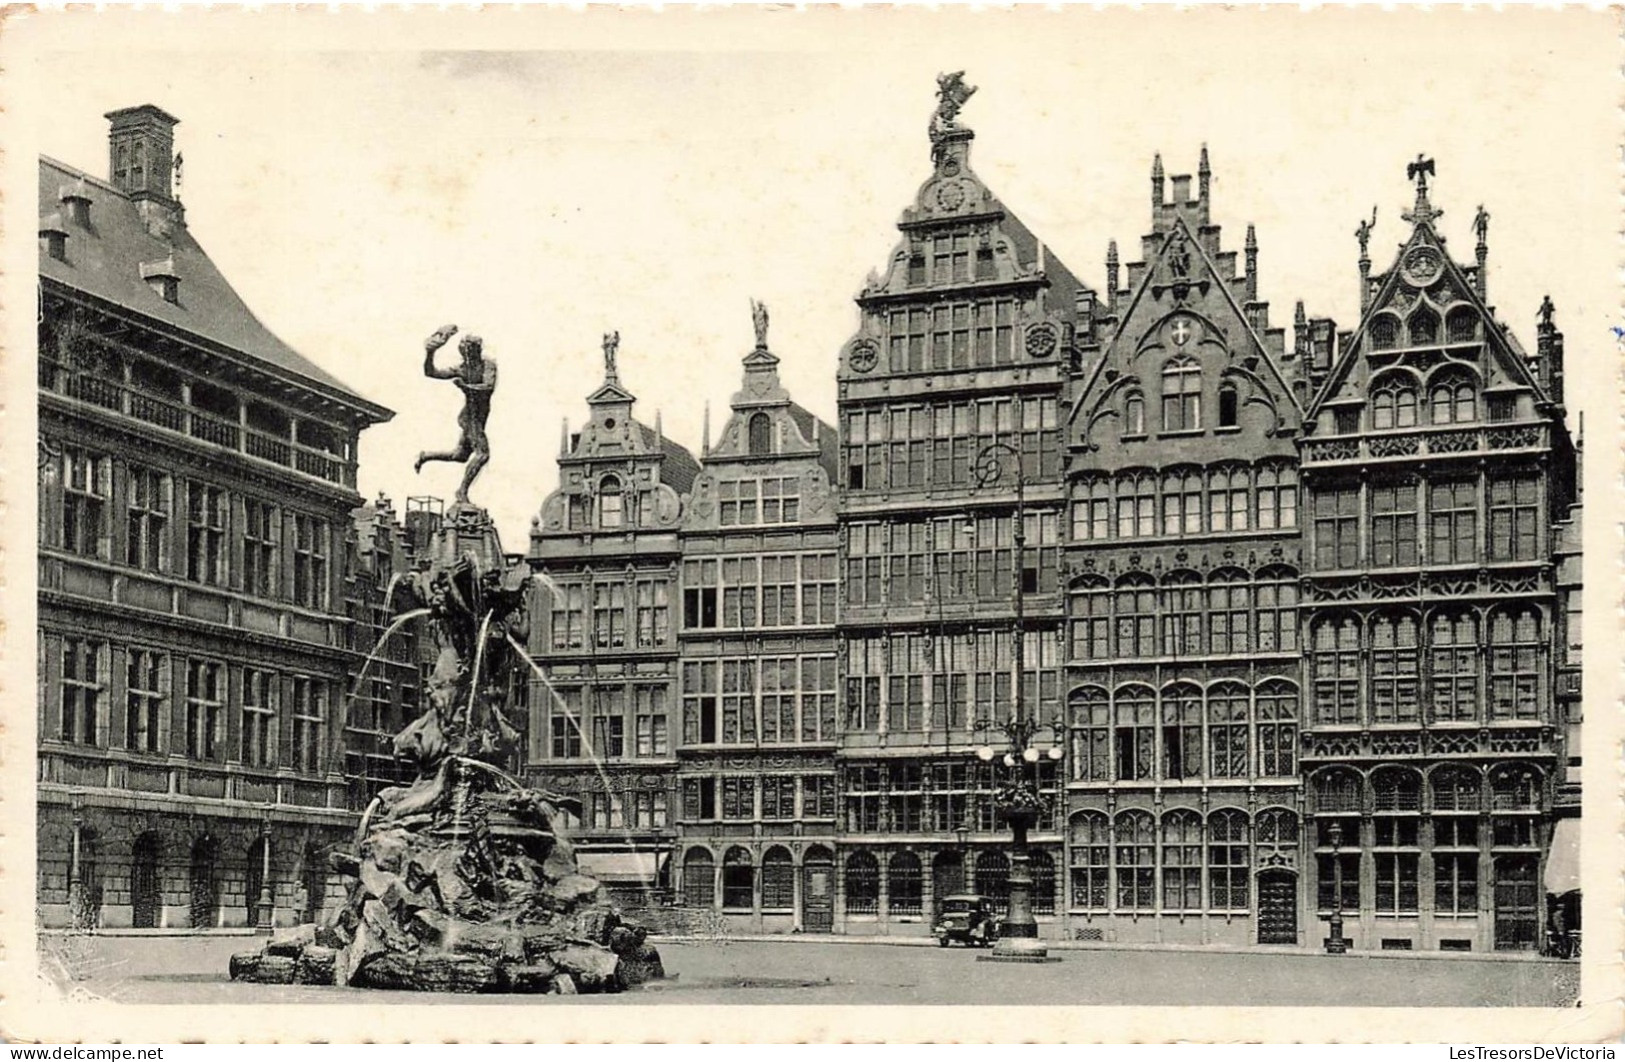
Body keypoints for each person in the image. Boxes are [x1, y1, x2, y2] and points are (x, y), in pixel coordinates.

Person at [414, 324, 497, 505]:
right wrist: (430, 353)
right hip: (470, 418)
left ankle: (425, 456)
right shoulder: (461, 369)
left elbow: (487, 387)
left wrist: (464, 387)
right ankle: (461, 492)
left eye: (473, 350)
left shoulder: (488, 365)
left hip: (480, 417)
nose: (469, 354)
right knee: (483, 454)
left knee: (459, 455)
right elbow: (430, 372)